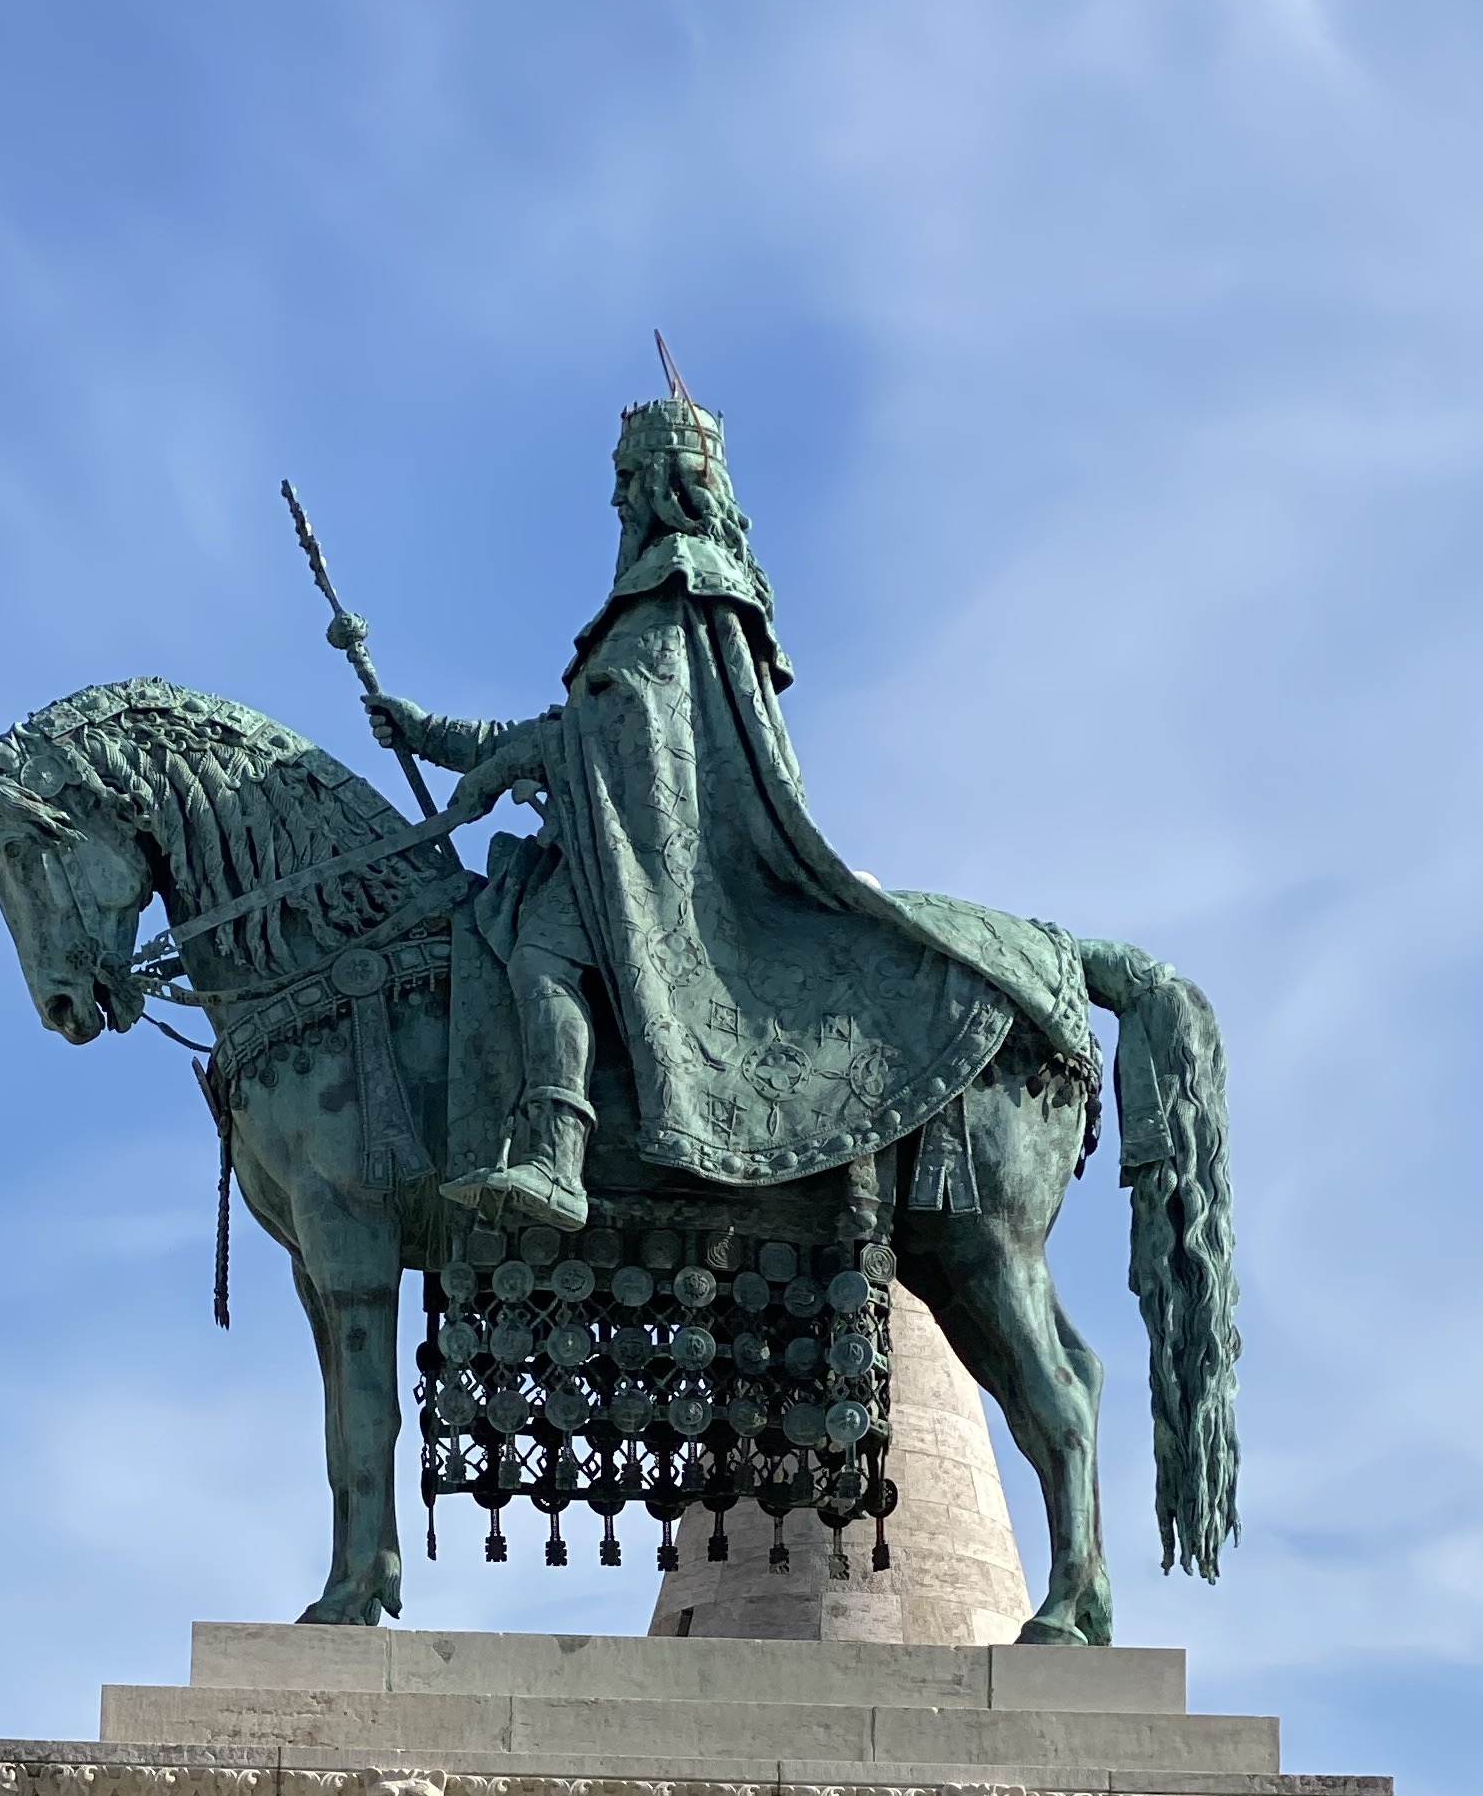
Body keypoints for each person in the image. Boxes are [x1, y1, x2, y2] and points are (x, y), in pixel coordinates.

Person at [365, 397, 1082, 1235]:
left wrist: (499, 765)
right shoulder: (669, 586)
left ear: (672, 482)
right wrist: (426, 731)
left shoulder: (680, 577)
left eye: (629, 477)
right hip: (618, 837)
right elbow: (586, 727)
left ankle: (557, 1157)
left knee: (541, 958)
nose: (617, 499)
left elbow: (628, 724)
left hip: (657, 855)